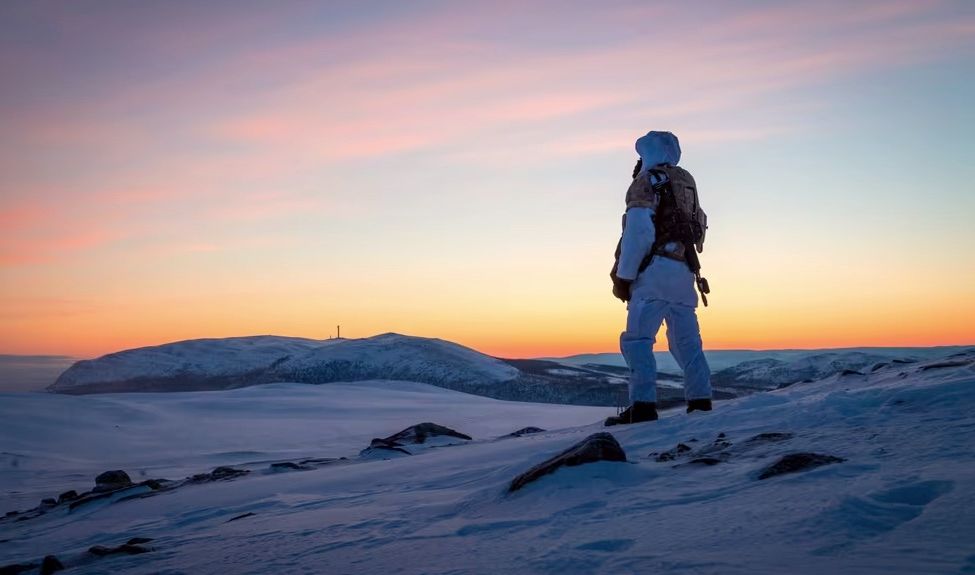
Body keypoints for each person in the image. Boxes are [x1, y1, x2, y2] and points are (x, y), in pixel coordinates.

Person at [606, 131, 712, 426]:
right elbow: (700, 224)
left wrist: (624, 276)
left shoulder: (645, 181)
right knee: (687, 342)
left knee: (638, 340)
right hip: (684, 272)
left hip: (652, 273)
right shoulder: (687, 181)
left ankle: (642, 406)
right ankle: (701, 400)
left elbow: (638, 232)